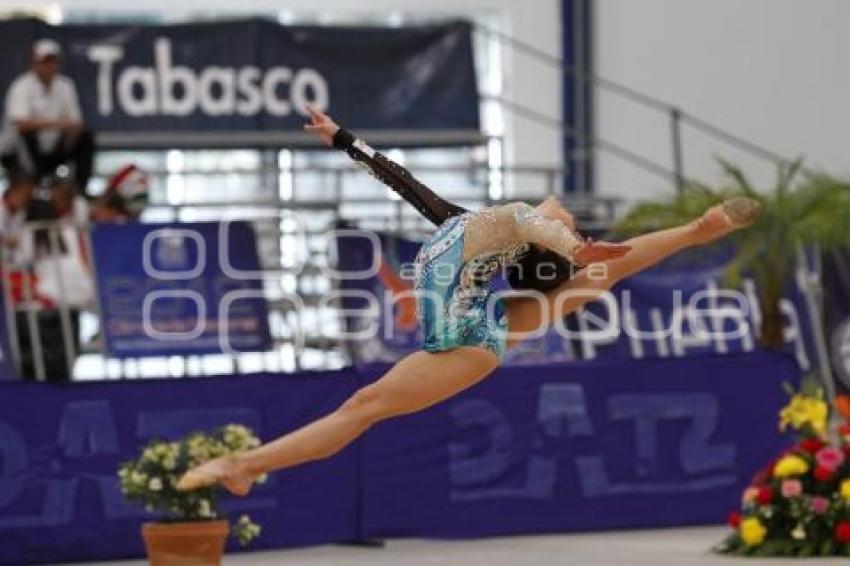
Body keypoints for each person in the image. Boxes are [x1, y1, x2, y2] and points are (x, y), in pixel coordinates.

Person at [176, 106, 762, 495]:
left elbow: (563, 236)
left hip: (471, 342)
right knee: (361, 405)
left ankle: (243, 466)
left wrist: (593, 247)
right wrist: (342, 139)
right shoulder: (472, 225)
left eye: (561, 217)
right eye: (562, 217)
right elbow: (401, 179)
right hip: (480, 321)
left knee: (363, 408)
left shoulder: (520, 224)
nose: (560, 207)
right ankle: (245, 469)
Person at [1, 39, 94, 194]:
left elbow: (76, 124)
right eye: (44, 62)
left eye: (52, 62)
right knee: (27, 136)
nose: (48, 67)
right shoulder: (21, 86)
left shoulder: (65, 86)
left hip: (51, 149)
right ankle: (32, 183)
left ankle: (79, 192)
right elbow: (21, 124)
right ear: (34, 63)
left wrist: (60, 130)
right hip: (17, 153)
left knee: (85, 139)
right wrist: (59, 124)